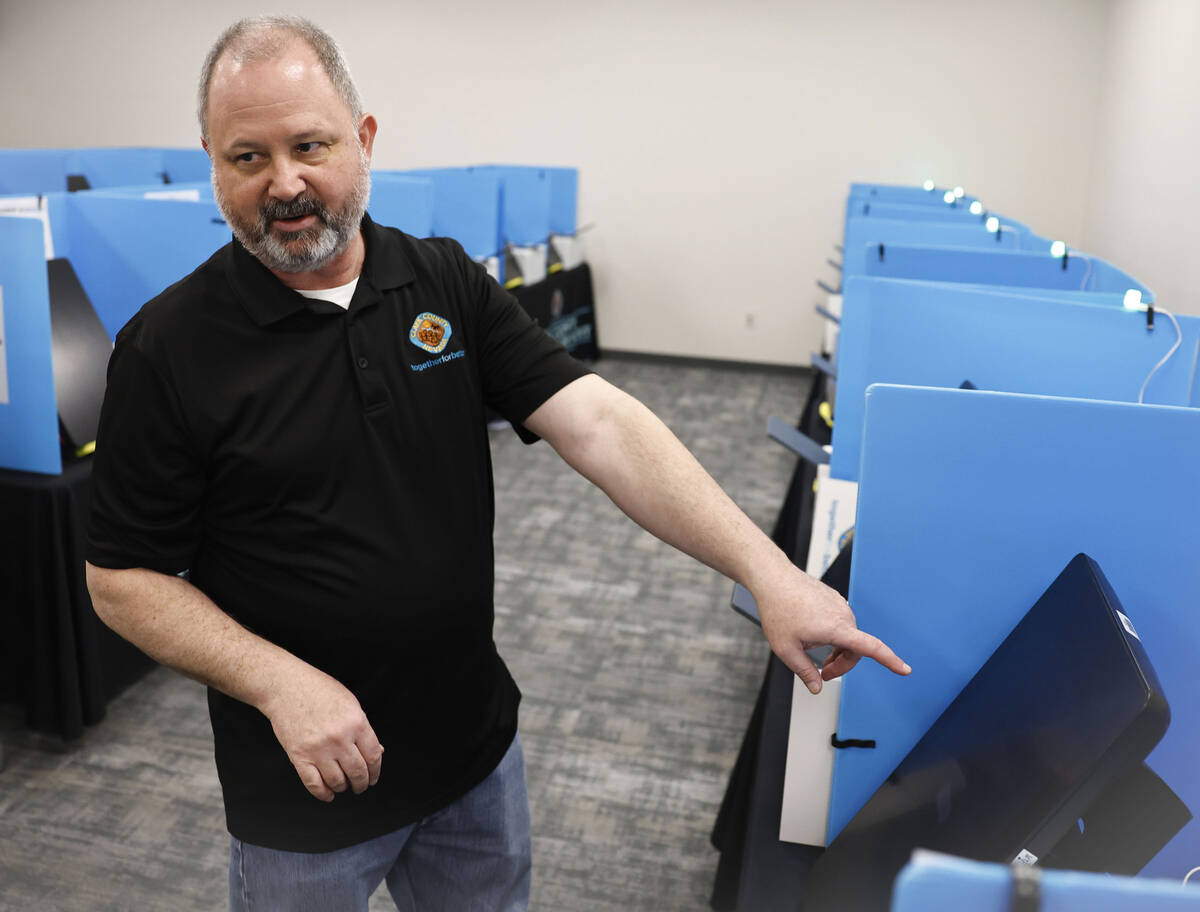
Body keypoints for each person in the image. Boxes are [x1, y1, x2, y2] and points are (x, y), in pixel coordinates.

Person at [84, 15, 909, 912]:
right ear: (210, 160)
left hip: (473, 759)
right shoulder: (168, 348)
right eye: (247, 157)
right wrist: (277, 682)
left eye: (310, 145)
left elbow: (598, 422)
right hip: (302, 783)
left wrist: (768, 570)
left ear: (363, 141)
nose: (284, 184)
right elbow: (122, 579)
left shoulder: (440, 279)